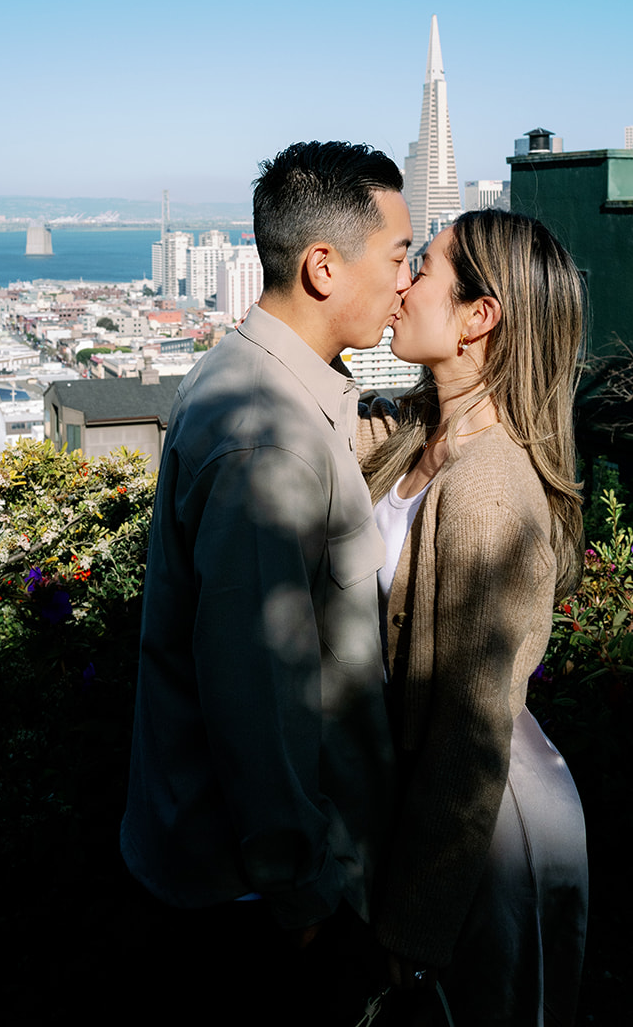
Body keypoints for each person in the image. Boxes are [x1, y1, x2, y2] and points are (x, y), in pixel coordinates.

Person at [121, 140, 413, 1024]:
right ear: (324, 267)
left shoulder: (263, 380)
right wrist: (305, 897)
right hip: (256, 906)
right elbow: (256, 691)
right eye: (400, 255)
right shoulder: (270, 441)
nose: (408, 280)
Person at [361, 210, 588, 1026]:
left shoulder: (490, 490)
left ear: (477, 318)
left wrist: (417, 916)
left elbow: (471, 726)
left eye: (422, 268)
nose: (401, 284)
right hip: (448, 817)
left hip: (482, 832)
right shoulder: (417, 431)